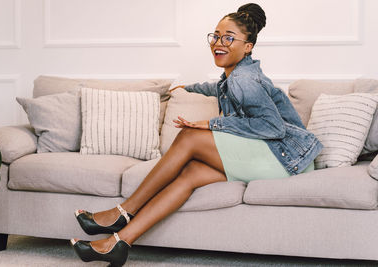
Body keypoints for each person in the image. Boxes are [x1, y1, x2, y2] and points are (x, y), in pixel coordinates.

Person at [70, 3, 323, 266]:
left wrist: (214, 125)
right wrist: (190, 88)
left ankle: (124, 211)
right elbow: (221, 88)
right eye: (216, 36)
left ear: (247, 46)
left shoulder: (243, 80)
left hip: (284, 158)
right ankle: (118, 243)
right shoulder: (238, 73)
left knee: (190, 136)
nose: (218, 43)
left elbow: (274, 128)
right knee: (190, 173)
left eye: (228, 38)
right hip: (282, 157)